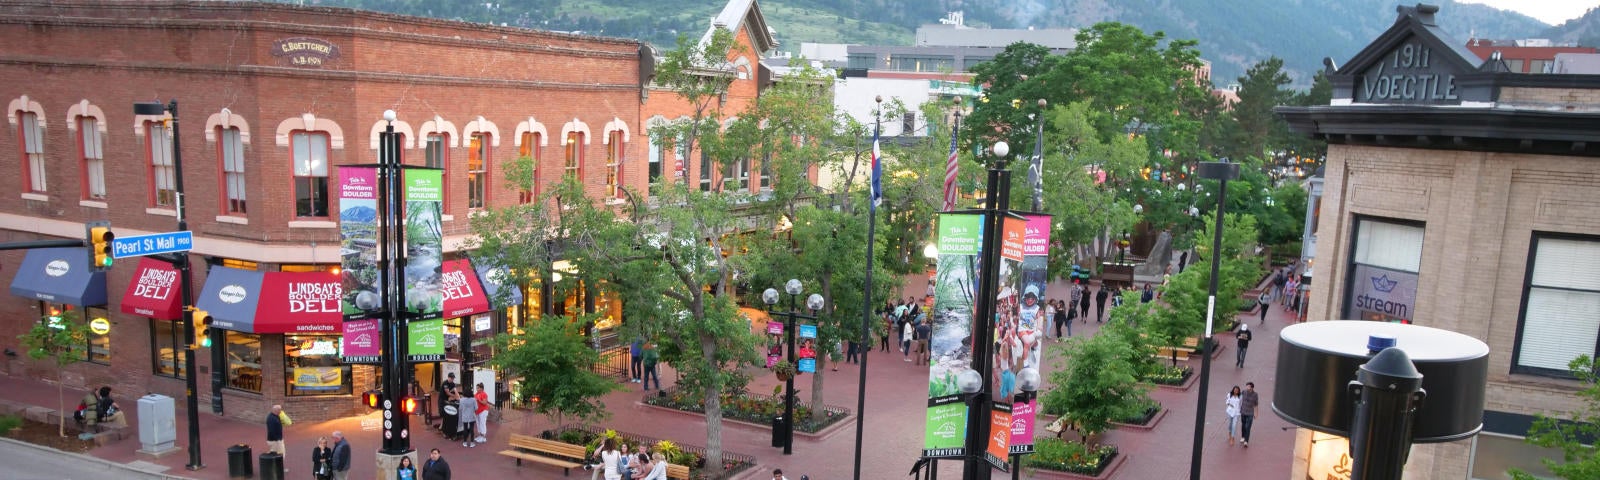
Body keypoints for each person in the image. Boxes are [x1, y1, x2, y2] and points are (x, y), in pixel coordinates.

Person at [266, 404, 287, 468]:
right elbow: (271, 431)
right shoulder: (271, 419)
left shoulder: (275, 416)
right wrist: (277, 439)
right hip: (275, 441)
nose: (281, 412)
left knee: (274, 454)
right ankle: (278, 469)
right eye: (280, 410)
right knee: (280, 454)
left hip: (275, 440)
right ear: (276, 410)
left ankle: (274, 467)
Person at [1240, 382, 1260, 447]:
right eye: (1246, 386)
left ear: (1251, 387)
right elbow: (1238, 398)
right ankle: (1243, 436)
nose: (1247, 387)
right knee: (1243, 425)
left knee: (1248, 427)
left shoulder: (1255, 395)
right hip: (1243, 411)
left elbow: (1256, 404)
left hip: (1250, 413)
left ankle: (1246, 441)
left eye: (1248, 386)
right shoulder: (1243, 392)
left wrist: (1256, 413)